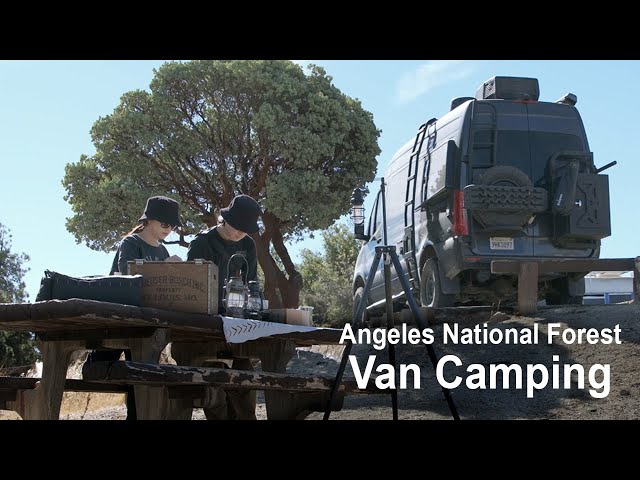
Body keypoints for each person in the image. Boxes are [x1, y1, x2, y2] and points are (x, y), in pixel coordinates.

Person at [90, 195, 183, 420]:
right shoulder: (130, 243)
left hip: (146, 322)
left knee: (141, 373)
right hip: (120, 318)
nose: (169, 229)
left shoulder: (162, 251)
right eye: (165, 224)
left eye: (172, 226)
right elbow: (127, 277)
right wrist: (163, 268)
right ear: (149, 220)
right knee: (99, 368)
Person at [186, 194, 262, 420]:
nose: (240, 232)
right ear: (224, 219)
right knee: (215, 383)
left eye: (246, 229)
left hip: (237, 324)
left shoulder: (248, 244)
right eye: (238, 226)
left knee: (245, 376)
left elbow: (253, 282)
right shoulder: (201, 243)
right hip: (205, 325)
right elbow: (191, 288)